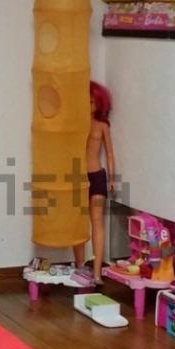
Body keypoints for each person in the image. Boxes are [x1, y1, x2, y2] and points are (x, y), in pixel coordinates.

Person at [73, 81, 115, 283]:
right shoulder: (76, 124)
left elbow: (110, 153)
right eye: (85, 101)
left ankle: (97, 271)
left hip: (97, 176)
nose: (88, 105)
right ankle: (79, 266)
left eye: (91, 101)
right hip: (77, 177)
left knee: (97, 221)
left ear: (99, 103)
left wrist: (112, 178)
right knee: (78, 222)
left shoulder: (102, 125)